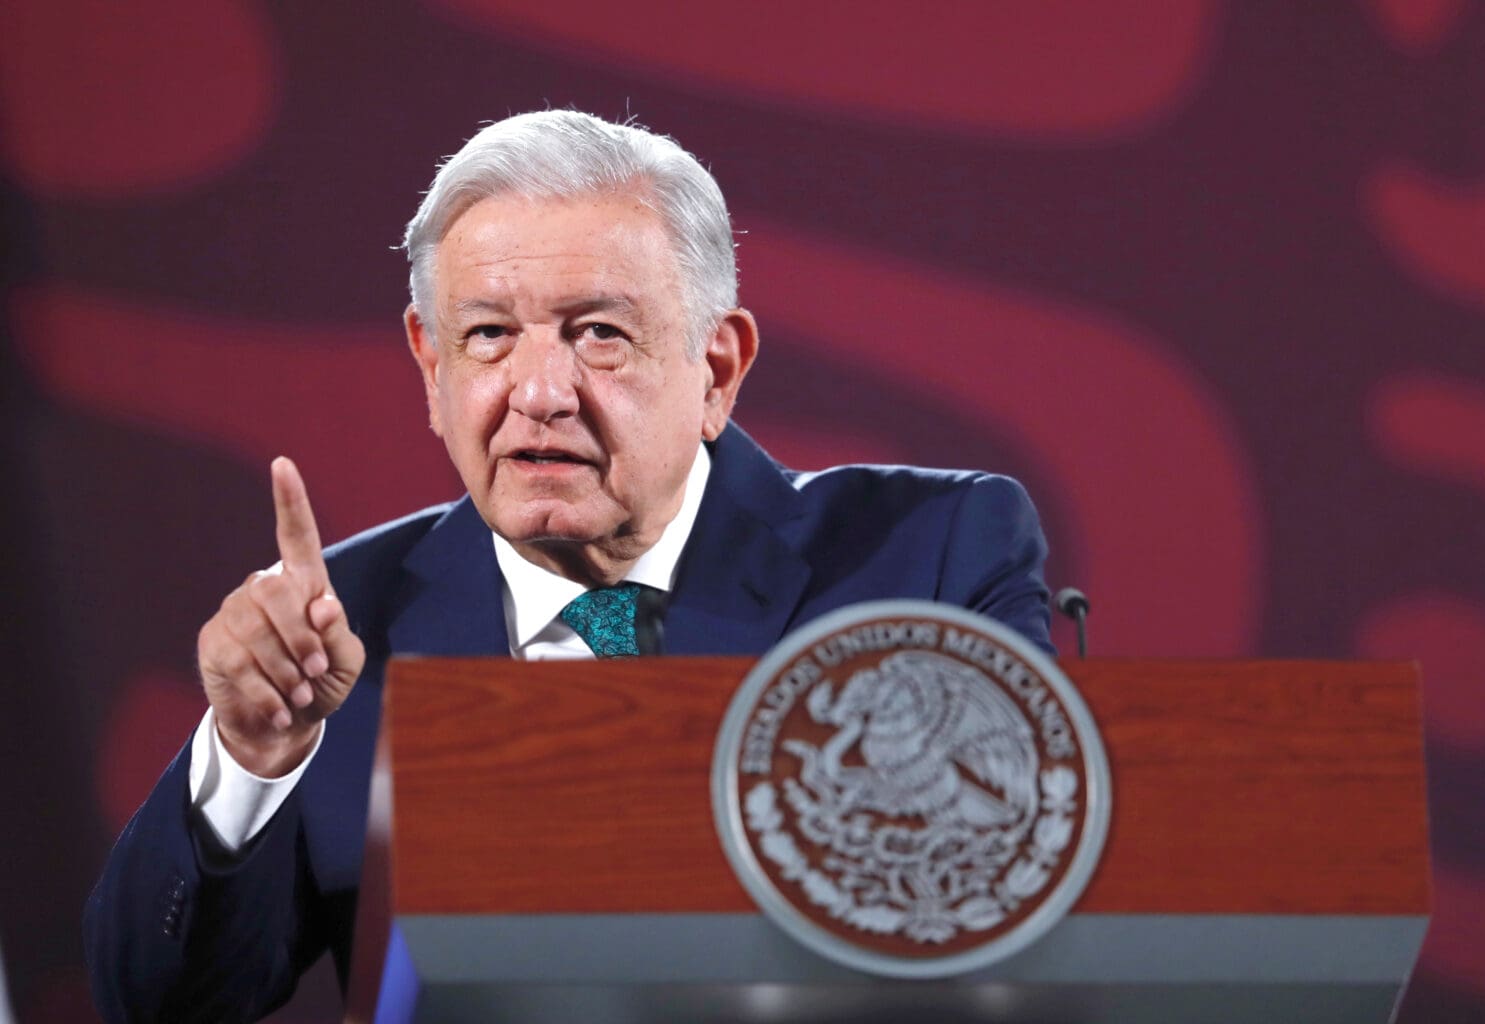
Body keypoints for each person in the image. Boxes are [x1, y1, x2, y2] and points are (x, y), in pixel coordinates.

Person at [84, 110, 1053, 1022]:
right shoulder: (338, 633)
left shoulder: (928, 555)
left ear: (716, 369)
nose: (539, 392)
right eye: (490, 335)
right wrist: (249, 759)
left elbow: (1026, 903)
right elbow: (159, 1003)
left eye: (599, 333)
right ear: (433, 366)